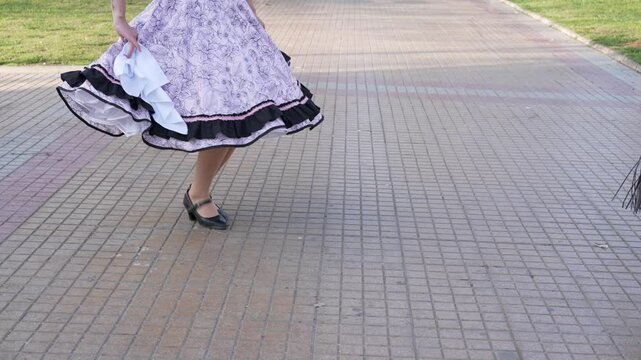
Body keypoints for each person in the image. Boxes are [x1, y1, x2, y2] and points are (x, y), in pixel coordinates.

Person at [56, 0, 324, 230]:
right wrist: (119, 19)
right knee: (221, 109)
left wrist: (251, 11)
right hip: (184, 24)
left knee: (239, 113)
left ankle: (198, 191)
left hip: (232, 20)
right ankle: (198, 194)